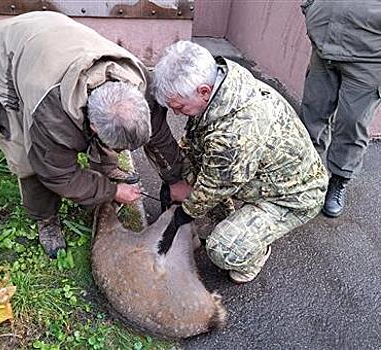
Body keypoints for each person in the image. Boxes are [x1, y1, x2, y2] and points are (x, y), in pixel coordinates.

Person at [0, 11, 183, 258]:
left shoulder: (141, 85)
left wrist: (174, 179)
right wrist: (112, 192)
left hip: (57, 35)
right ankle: (46, 220)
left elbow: (158, 134)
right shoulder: (50, 117)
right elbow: (57, 174)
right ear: (93, 127)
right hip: (3, 57)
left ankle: (106, 168)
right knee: (26, 158)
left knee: (113, 130)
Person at [152, 41, 328, 283]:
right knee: (194, 180)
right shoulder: (223, 87)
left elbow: (216, 185)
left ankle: (254, 253)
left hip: (292, 195)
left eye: (179, 107)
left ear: (203, 91)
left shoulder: (235, 133)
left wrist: (185, 212)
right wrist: (179, 178)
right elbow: (196, 144)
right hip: (256, 170)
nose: (177, 114)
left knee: (224, 250)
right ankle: (231, 213)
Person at [300, 0, 381, 217]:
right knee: (312, 113)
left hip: (369, 57)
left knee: (352, 123)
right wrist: (311, 7)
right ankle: (304, 173)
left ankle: (338, 180)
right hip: (324, 47)